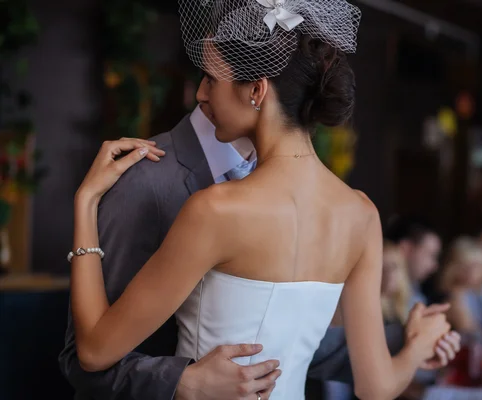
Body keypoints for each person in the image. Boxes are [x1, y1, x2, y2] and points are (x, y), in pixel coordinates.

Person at [60, 1, 460, 399]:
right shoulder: (363, 214)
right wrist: (417, 347)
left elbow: (93, 351)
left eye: (212, 79)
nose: (201, 93)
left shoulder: (216, 208)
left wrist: (85, 202)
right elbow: (377, 387)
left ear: (256, 90)